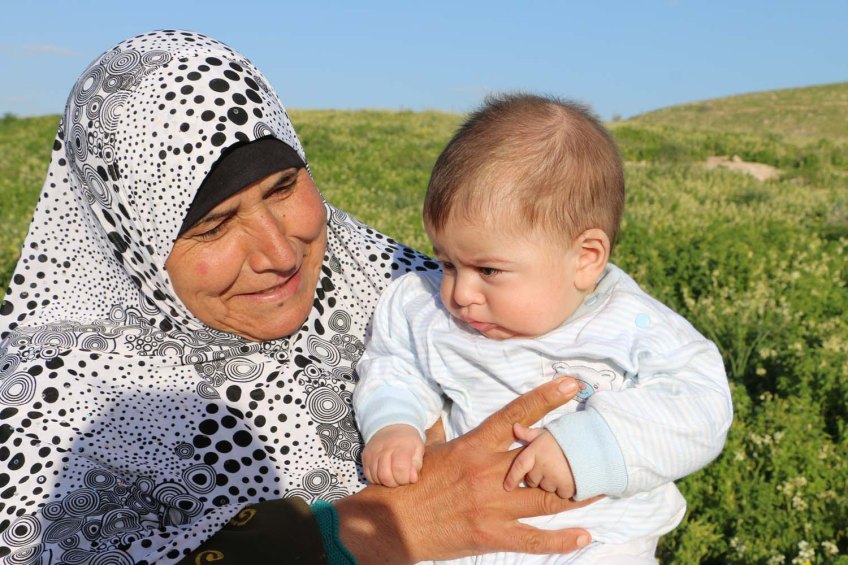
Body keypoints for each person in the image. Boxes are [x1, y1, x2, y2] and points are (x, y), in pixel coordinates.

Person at [0, 31, 596, 564]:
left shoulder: (400, 285)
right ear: (133, 246)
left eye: (284, 186)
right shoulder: (53, 414)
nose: (279, 255)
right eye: (214, 225)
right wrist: (374, 533)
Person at [354, 94, 734, 563]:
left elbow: (701, 405)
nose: (460, 293)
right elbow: (394, 363)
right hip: (465, 535)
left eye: (488, 270)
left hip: (593, 535)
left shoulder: (632, 325)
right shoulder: (423, 306)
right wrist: (393, 422)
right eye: (446, 261)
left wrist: (590, 446)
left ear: (585, 259)